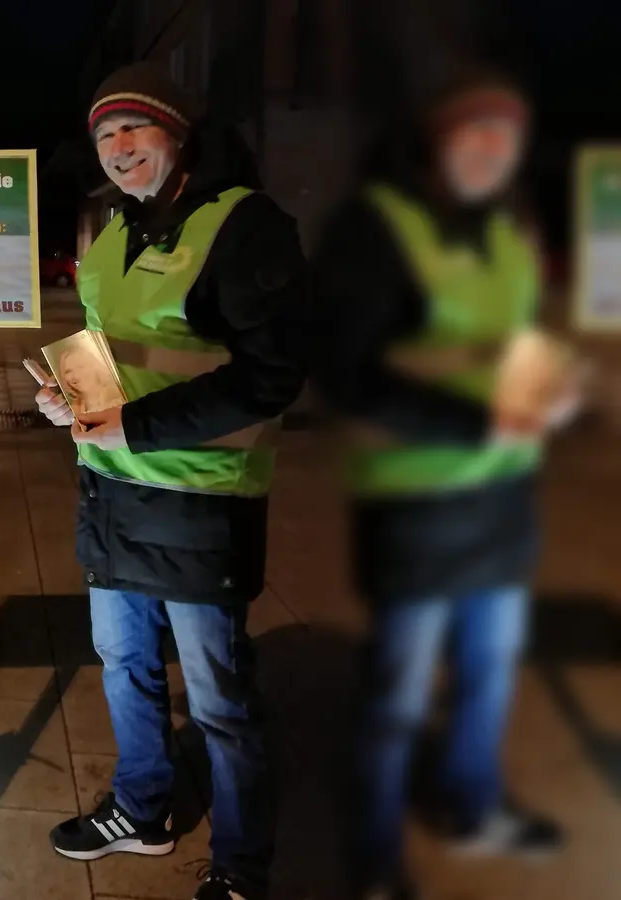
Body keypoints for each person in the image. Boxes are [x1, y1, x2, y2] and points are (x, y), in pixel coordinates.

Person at [37, 63, 306, 900]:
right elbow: (115, 352)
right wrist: (69, 398)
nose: (118, 149)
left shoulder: (245, 225)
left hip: (201, 500)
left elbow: (270, 376)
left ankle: (240, 869)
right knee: (123, 664)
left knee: (221, 703)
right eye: (104, 135)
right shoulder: (115, 232)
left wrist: (137, 425)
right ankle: (143, 809)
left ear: (179, 133)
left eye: (134, 129)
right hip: (111, 489)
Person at [306, 69, 569, 900]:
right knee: (399, 698)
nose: (491, 150)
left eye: (506, 137)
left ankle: (472, 804)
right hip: (416, 507)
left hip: (502, 503)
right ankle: (375, 856)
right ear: (436, 142)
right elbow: (348, 372)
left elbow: (512, 346)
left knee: (491, 677)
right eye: (474, 133)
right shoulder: (376, 228)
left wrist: (552, 391)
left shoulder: (505, 233)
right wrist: (478, 422)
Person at [54, 340, 123, 418]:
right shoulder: (75, 406)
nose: (76, 375)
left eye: (80, 367)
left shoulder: (115, 394)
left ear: (94, 366)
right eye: (68, 371)